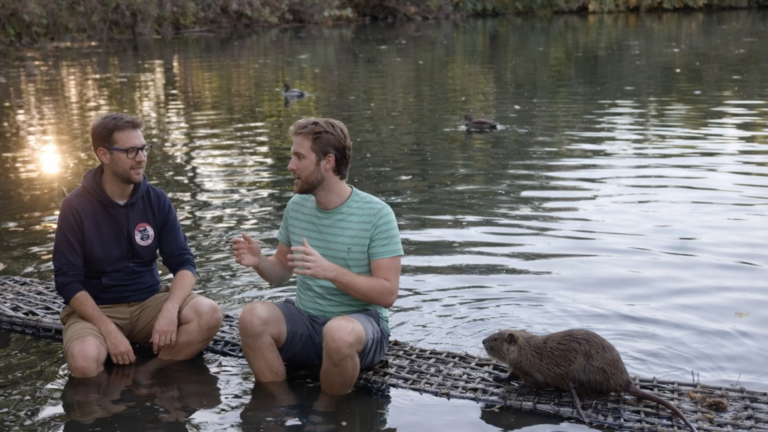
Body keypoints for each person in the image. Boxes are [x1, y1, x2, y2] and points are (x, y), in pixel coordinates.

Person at [233, 117, 403, 400]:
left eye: (299, 157)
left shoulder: (377, 214)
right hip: (307, 322)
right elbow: (281, 272)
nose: (290, 166)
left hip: (360, 328)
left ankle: (324, 417)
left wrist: (331, 271)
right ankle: (281, 405)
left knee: (338, 333)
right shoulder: (297, 206)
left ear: (328, 162)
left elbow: (387, 294)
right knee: (252, 317)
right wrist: (259, 261)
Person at [53, 112, 222, 379]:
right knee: (83, 362)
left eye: (143, 148)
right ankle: (112, 405)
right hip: (98, 309)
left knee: (209, 314)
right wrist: (109, 331)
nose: (141, 157)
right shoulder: (75, 207)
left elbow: (183, 262)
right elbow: (67, 281)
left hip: (149, 302)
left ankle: (149, 373)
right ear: (104, 155)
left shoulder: (156, 200)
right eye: (131, 151)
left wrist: (169, 309)